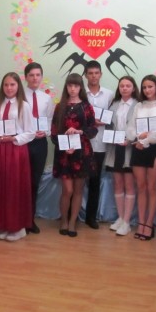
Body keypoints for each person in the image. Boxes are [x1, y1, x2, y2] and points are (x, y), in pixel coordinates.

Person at [51, 73, 97, 237]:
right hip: (64, 154)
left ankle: (72, 222)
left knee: (78, 190)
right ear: (66, 87)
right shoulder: (59, 106)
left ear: (80, 87)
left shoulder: (86, 106)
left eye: (76, 86)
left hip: (82, 153)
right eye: (70, 85)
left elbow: (93, 129)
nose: (72, 89)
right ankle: (63, 220)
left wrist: (79, 131)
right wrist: (64, 147)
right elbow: (54, 132)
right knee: (67, 190)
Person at [127, 75, 156, 240]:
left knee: (152, 187)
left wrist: (145, 141)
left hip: (154, 148)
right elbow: (130, 128)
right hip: (138, 148)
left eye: (150, 86)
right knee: (141, 187)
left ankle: (149, 224)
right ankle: (141, 223)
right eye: (144, 87)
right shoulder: (139, 106)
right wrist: (138, 138)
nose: (147, 90)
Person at [0, 72, 35, 242]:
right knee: (2, 187)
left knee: (15, 188)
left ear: (18, 86)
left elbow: (30, 132)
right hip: (1, 150)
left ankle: (18, 227)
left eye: (12, 85)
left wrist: (13, 138)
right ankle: (5, 224)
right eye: (6, 85)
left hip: (16, 150)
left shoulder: (24, 106)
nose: (9, 88)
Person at [105, 76, 140, 236]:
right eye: (122, 86)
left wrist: (130, 140)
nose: (124, 88)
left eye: (128, 86)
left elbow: (140, 127)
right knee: (117, 184)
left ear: (133, 88)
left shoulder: (138, 105)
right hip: (114, 149)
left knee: (129, 185)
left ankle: (127, 222)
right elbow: (109, 125)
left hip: (130, 149)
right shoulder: (114, 105)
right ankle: (120, 217)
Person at [24, 62, 55, 234]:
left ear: (41, 77)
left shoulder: (46, 98)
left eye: (38, 75)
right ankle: (20, 218)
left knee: (35, 181)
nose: (35, 78)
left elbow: (49, 120)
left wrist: (46, 132)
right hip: (24, 143)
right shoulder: (19, 96)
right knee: (22, 181)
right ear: (26, 77)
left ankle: (30, 219)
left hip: (40, 143)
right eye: (31, 75)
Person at [83, 61, 113, 229]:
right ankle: (72, 216)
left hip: (100, 144)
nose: (94, 76)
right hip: (82, 143)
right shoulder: (81, 93)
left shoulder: (109, 94)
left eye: (96, 73)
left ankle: (91, 217)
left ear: (101, 74)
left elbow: (113, 117)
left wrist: (106, 121)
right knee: (78, 181)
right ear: (86, 75)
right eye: (90, 73)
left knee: (95, 181)